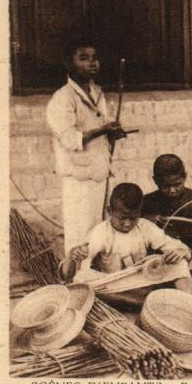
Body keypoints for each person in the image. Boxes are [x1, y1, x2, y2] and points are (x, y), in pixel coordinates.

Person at [60, 183, 192, 305]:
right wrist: (73, 257)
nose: (128, 223)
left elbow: (173, 245)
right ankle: (184, 301)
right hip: (114, 285)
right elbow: (77, 272)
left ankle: (184, 302)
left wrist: (181, 252)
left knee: (179, 265)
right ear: (109, 212)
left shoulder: (145, 227)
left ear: (139, 212)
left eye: (133, 217)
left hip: (143, 281)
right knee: (83, 279)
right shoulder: (101, 233)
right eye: (122, 218)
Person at [46, 37, 126, 256]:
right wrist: (103, 129)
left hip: (99, 172)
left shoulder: (97, 92)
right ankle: (76, 278)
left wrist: (112, 133)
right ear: (68, 63)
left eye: (95, 58)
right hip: (78, 176)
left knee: (98, 228)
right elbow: (70, 139)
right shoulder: (62, 98)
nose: (92, 63)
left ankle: (94, 275)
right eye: (83, 58)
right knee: (80, 232)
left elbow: (101, 130)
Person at [141, 154, 192, 287]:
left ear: (185, 177)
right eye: (165, 186)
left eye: (177, 184)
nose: (172, 190)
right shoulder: (147, 202)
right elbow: (134, 230)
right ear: (155, 181)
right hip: (163, 258)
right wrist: (144, 219)